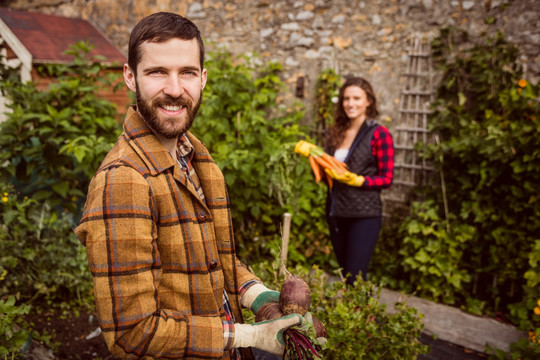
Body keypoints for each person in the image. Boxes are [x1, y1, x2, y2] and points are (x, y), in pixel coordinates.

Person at [74, 12, 308, 360]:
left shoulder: (197, 158)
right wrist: (248, 335)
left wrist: (255, 294)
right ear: (130, 77)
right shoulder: (123, 180)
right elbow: (132, 334)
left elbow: (209, 258)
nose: (174, 88)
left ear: (203, 78)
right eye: (157, 72)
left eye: (187, 72)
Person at [323, 77, 394, 285]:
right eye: (346, 98)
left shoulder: (379, 134)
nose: (350, 103)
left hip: (364, 216)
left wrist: (359, 181)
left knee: (356, 277)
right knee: (346, 275)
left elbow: (387, 178)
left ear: (368, 101)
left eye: (356, 98)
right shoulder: (335, 133)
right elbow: (329, 176)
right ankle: (357, 315)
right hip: (337, 213)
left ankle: (363, 315)